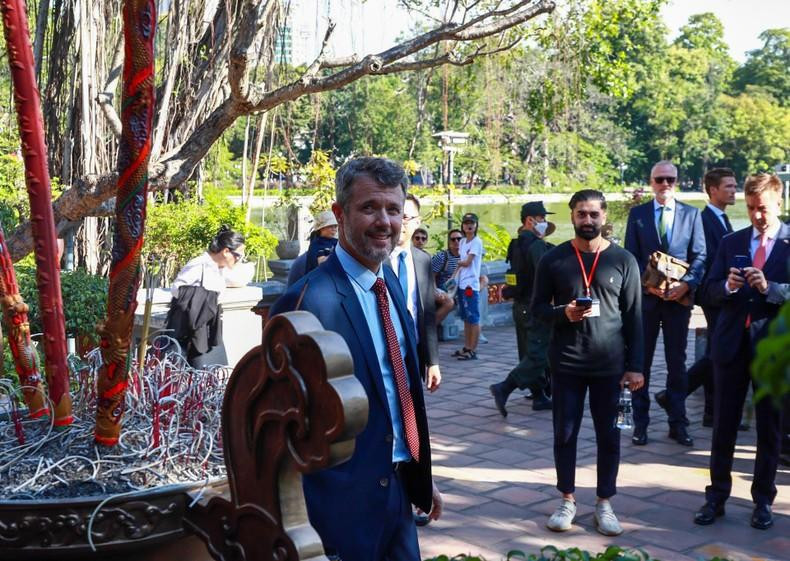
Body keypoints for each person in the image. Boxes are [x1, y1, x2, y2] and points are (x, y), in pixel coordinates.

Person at [270, 157, 442, 560]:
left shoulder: (393, 284)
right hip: (336, 508)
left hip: (398, 491)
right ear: (339, 213)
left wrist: (419, 474)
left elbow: (397, 391)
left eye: (393, 209)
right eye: (369, 208)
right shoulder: (305, 303)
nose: (384, 221)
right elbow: (283, 425)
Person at [533, 189, 644, 536]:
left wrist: (636, 366)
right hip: (567, 364)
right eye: (581, 214)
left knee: (609, 437)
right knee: (564, 434)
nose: (588, 220)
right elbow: (536, 310)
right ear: (572, 217)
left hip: (610, 368)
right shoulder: (553, 260)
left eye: (594, 214)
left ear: (604, 216)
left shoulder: (623, 260)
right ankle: (567, 499)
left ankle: (604, 503)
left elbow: (635, 318)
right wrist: (562, 313)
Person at [694, 173, 789, 531]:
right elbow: (707, 290)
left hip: (773, 351)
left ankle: (763, 499)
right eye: (750, 208)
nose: (756, 216)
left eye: (762, 208)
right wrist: (728, 287)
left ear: (778, 203)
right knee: (724, 425)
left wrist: (772, 288)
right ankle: (716, 497)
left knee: (769, 429)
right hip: (731, 346)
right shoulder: (731, 241)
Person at [624, 160, 706, 447]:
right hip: (646, 301)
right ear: (651, 182)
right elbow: (631, 257)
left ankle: (677, 423)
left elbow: (700, 256)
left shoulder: (691, 215)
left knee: (677, 364)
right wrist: (650, 286)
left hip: (678, 302)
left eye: (670, 179)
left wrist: (686, 285)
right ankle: (640, 424)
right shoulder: (638, 215)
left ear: (677, 181)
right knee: (640, 362)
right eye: (660, 179)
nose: (665, 184)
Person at [655, 168, 735, 427]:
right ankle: (679, 397)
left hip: (723, 293)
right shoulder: (705, 219)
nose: (735, 190)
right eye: (729, 186)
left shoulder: (721, 218)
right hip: (713, 295)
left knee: (716, 351)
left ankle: (711, 410)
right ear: (713, 190)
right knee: (718, 353)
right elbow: (706, 259)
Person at [390, 194, 441, 528]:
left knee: (413, 424)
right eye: (398, 215)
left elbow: (426, 314)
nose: (402, 225)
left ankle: (416, 492)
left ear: (418, 222)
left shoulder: (421, 260)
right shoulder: (376, 260)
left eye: (408, 218)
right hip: (383, 355)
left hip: (410, 357)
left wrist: (432, 360)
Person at [489, 201, 554, 416]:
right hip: (534, 305)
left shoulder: (516, 243)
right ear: (530, 220)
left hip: (520, 305)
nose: (544, 222)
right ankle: (504, 388)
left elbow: (514, 275)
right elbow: (544, 276)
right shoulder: (535, 246)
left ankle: (540, 396)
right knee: (538, 353)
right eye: (542, 218)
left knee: (529, 351)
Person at [166, 226, 251, 368]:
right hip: (189, 330)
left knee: (211, 375)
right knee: (188, 375)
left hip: (208, 328)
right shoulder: (199, 264)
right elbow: (177, 290)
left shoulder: (220, 268)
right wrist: (206, 298)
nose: (239, 260)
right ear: (226, 252)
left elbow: (239, 279)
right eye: (238, 256)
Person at [453, 213, 484, 361]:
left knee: (474, 318)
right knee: (466, 318)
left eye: (472, 223)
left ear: (476, 225)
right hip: (462, 284)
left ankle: (473, 350)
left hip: (471, 286)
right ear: (462, 226)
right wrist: (453, 278)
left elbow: (466, 262)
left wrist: (459, 264)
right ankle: (466, 346)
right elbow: (461, 263)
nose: (469, 225)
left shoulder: (476, 242)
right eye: (466, 223)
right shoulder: (463, 241)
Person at [286, 210, 339, 287]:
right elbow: (322, 263)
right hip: (318, 284)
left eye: (335, 226)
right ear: (321, 228)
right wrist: (340, 254)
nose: (334, 229)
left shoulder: (335, 242)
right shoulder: (317, 245)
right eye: (331, 226)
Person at [431, 229, 461, 326]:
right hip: (441, 288)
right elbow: (430, 275)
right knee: (449, 302)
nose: (456, 241)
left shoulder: (466, 256)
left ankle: (477, 328)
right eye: (453, 239)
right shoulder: (442, 257)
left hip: (459, 288)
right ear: (449, 242)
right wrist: (435, 290)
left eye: (459, 239)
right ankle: (429, 330)